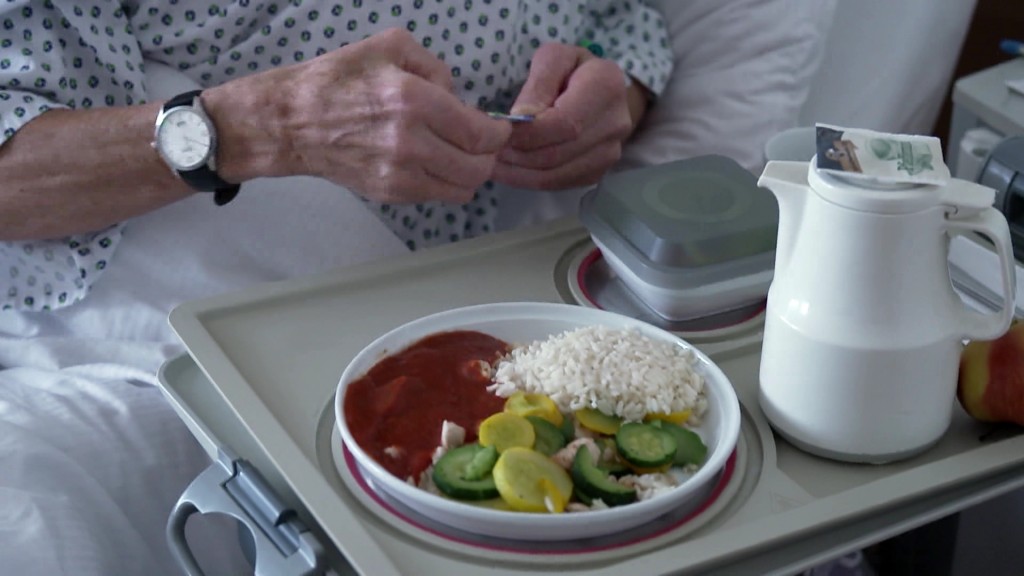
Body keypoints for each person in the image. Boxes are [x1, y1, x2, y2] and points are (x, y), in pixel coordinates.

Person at [0, 2, 673, 574]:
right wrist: (268, 126)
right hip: (159, 307)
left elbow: (622, 18)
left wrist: (612, 86)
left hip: (465, 300)